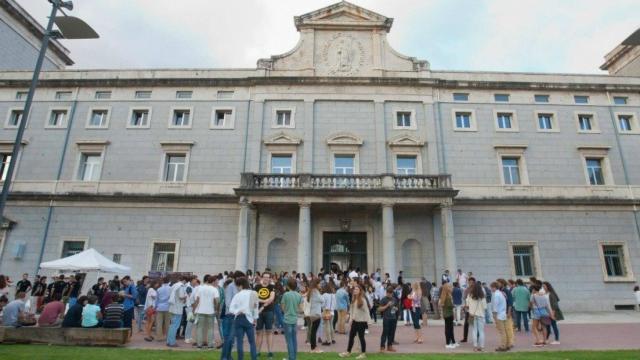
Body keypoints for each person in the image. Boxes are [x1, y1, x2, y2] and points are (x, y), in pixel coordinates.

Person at [229, 276, 259, 360]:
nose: (237, 288)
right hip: (249, 319)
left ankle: (240, 358)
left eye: (237, 286)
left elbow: (231, 308)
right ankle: (254, 358)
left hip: (238, 318)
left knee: (239, 341)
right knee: (252, 342)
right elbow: (255, 308)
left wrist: (237, 311)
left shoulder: (237, 295)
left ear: (241, 286)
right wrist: (255, 319)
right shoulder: (254, 293)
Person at [339, 284, 371, 359]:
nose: (355, 291)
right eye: (354, 289)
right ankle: (348, 352)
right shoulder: (353, 299)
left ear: (360, 291)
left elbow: (366, 311)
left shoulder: (362, 300)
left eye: (357, 289)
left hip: (362, 322)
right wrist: (350, 320)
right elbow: (352, 311)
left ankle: (363, 354)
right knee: (351, 337)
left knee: (361, 337)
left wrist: (369, 322)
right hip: (355, 321)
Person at [193, 274, 220, 349]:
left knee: (199, 328)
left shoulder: (200, 288)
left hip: (200, 310)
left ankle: (199, 344)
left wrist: (194, 309)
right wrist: (216, 309)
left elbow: (197, 300)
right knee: (210, 328)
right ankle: (210, 345)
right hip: (210, 311)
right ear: (212, 282)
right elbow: (217, 301)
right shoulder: (214, 289)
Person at [221, 271, 243, 360]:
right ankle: (225, 357)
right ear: (236, 278)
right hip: (230, 315)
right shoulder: (230, 287)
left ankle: (228, 356)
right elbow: (228, 303)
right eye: (241, 278)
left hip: (236, 315)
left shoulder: (239, 287)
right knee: (228, 338)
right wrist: (236, 311)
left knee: (231, 339)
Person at [255, 272, 276, 359]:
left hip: (269, 312)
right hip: (258, 312)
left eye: (268, 277)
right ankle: (257, 352)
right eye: (264, 277)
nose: (266, 278)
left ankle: (270, 352)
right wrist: (265, 301)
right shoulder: (257, 287)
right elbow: (255, 298)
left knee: (269, 331)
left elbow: (272, 298)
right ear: (262, 278)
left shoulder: (271, 287)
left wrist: (263, 301)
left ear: (270, 278)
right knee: (259, 332)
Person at [281, 277, 302, 360]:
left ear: (288, 286)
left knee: (289, 341)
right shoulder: (299, 295)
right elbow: (300, 309)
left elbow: (282, 307)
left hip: (287, 319)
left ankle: (291, 358)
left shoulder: (286, 295)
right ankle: (293, 357)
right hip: (294, 319)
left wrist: (287, 310)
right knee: (294, 340)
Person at [466, 282, 487, 352]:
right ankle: (482, 347)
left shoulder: (469, 295)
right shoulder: (482, 296)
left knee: (474, 331)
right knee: (481, 331)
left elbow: (467, 305)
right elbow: (485, 307)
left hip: (472, 315)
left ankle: (475, 346)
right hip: (481, 315)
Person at [167, 276, 187, 347]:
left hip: (172, 307)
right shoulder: (181, 286)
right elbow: (181, 296)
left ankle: (169, 341)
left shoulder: (174, 285)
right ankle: (172, 342)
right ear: (184, 280)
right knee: (175, 326)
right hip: (177, 308)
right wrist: (186, 296)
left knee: (172, 325)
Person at [530, 283, 553, 347]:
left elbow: (531, 304)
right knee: (544, 327)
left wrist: (532, 310)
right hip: (544, 312)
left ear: (534, 289)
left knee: (534, 327)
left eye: (532, 289)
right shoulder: (544, 296)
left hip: (537, 311)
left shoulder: (533, 295)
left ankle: (538, 340)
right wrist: (550, 314)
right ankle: (545, 340)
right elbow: (547, 306)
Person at [378, 286, 398, 352]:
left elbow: (396, 307)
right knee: (385, 333)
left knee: (392, 333)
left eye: (390, 293)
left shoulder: (394, 299)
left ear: (392, 293)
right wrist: (387, 305)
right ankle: (382, 347)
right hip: (386, 318)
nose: (389, 294)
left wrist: (395, 308)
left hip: (393, 318)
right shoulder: (383, 299)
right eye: (388, 293)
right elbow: (379, 309)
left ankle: (390, 346)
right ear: (386, 292)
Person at [491, 282, 509, 352]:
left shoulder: (496, 294)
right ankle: (506, 344)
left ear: (494, 287)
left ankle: (503, 346)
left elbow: (495, 306)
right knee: (504, 330)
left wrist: (494, 316)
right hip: (503, 313)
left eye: (491, 287)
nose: (491, 289)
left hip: (499, 315)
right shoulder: (501, 293)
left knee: (502, 331)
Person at [438, 283, 456, 349]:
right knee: (448, 329)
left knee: (450, 328)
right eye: (450, 287)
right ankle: (448, 343)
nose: (452, 288)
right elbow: (449, 305)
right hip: (448, 314)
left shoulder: (447, 295)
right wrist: (454, 305)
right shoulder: (447, 296)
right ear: (447, 289)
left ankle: (452, 342)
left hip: (448, 314)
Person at [155, 277, 172, 341]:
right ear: (168, 281)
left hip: (159, 307)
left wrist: (155, 307)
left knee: (159, 323)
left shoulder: (159, 289)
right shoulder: (171, 289)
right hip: (168, 307)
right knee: (167, 323)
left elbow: (156, 299)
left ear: (162, 281)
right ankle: (168, 337)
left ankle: (159, 337)